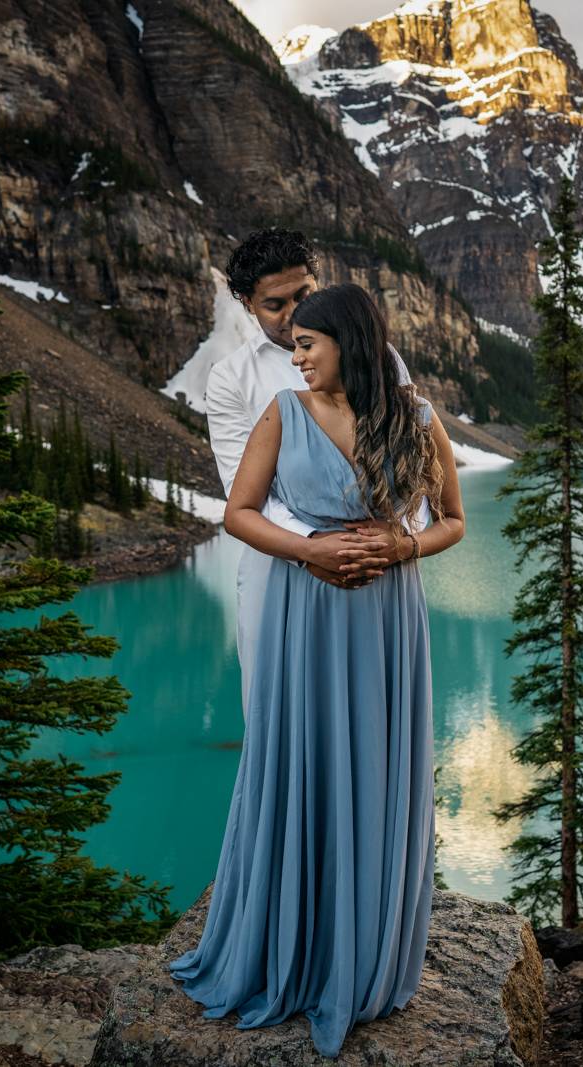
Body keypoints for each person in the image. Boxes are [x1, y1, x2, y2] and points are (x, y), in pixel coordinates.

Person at [168, 283, 466, 1058]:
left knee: (377, 771)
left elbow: (453, 522)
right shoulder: (283, 414)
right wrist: (309, 548)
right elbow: (237, 513)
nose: (295, 357)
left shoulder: (417, 417)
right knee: (305, 766)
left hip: (388, 617)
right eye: (292, 344)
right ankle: (295, 951)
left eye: (308, 344)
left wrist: (404, 545)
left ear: (350, 342)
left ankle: (364, 958)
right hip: (312, 611)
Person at [203, 228, 424, 715]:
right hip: (279, 569)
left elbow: (411, 460)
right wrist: (315, 547)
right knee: (284, 717)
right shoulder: (230, 379)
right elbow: (245, 494)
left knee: (376, 713)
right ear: (246, 302)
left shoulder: (383, 359)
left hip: (377, 568)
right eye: (273, 304)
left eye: (303, 295)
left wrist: (396, 536)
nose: (291, 315)